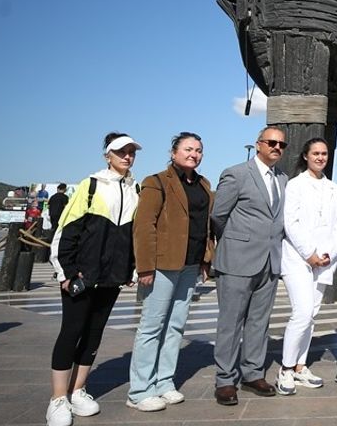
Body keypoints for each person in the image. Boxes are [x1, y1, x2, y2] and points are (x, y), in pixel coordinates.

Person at [46, 133, 141, 426]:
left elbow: (133, 235)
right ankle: (57, 398)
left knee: (95, 332)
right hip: (83, 274)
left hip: (111, 277)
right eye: (120, 152)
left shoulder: (136, 188)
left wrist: (131, 268)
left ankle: (78, 389)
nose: (127, 156)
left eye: (130, 152)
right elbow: (66, 230)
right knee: (71, 331)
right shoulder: (91, 185)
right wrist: (66, 272)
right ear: (107, 155)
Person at [126, 132, 213, 412]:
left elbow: (206, 226)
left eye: (198, 150)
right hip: (162, 265)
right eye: (188, 149)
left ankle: (164, 381)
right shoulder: (156, 182)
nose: (194, 154)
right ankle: (140, 389)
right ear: (174, 152)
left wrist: (205, 259)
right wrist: (145, 266)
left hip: (190, 264)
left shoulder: (204, 184)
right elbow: (143, 226)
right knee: (152, 326)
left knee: (175, 325)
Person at [211, 126, 289, 405]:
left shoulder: (283, 179)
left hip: (269, 261)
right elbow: (219, 215)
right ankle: (225, 380)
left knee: (259, 322)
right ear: (258, 145)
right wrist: (236, 243)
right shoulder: (236, 174)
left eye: (282, 144)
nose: (277, 147)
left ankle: (253, 373)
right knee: (230, 323)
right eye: (271, 142)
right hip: (237, 260)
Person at [277, 138, 337, 396]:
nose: (320, 157)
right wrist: (309, 253)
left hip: (325, 260)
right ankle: (284, 369)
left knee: (312, 314)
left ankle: (300, 365)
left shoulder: (333, 188)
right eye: (315, 153)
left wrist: (328, 252)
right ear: (305, 156)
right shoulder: (295, 185)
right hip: (298, 258)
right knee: (302, 312)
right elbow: (290, 222)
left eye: (324, 153)